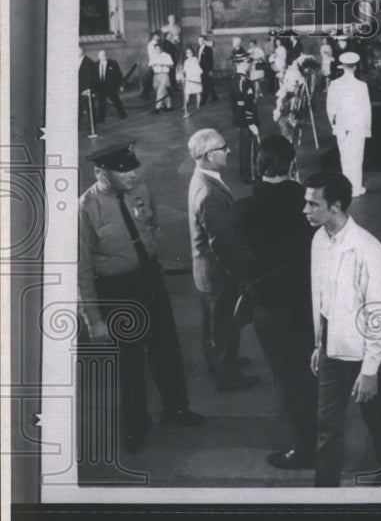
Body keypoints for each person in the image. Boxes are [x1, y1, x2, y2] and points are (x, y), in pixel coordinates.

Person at [79, 143, 205, 454]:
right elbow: (80, 269)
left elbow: (151, 220)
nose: (134, 173)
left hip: (149, 279)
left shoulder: (140, 189)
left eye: (134, 167)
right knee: (129, 360)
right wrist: (94, 319)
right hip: (117, 290)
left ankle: (176, 410)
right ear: (101, 173)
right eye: (124, 170)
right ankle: (136, 424)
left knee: (166, 345)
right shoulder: (85, 210)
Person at [304, 171, 381, 487]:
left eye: (311, 204)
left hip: (363, 352)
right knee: (327, 426)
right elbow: (323, 300)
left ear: (334, 207)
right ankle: (326, 495)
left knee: (378, 421)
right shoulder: (319, 240)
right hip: (332, 347)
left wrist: (371, 369)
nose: (305, 210)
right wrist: (320, 344)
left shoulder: (369, 250)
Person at [233, 136, 318, 470]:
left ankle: (303, 447)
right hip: (308, 300)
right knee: (307, 370)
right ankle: (316, 432)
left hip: (270, 306)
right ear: (292, 163)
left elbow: (242, 259)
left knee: (286, 374)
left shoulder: (244, 209)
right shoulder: (307, 200)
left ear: (258, 166)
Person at [187, 129, 259, 392]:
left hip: (205, 271)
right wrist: (242, 276)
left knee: (215, 324)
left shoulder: (202, 179)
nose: (228, 151)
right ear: (208, 155)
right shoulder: (209, 193)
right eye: (223, 147)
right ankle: (227, 377)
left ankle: (219, 363)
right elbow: (222, 243)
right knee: (225, 324)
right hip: (218, 274)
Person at [325, 51, 372, 196]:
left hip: (342, 125)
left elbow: (330, 108)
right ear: (355, 67)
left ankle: (347, 187)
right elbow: (366, 109)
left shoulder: (334, 84)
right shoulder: (361, 86)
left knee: (344, 156)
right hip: (357, 125)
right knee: (357, 156)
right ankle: (356, 188)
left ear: (342, 66)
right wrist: (368, 128)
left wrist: (333, 124)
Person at [230, 51, 260, 184]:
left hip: (241, 120)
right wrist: (251, 122)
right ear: (242, 63)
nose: (249, 64)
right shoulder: (242, 81)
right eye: (248, 62)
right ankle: (251, 175)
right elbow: (243, 104)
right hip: (247, 121)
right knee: (250, 148)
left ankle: (246, 174)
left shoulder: (235, 79)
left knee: (244, 147)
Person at [92, 49, 128, 122]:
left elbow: (119, 74)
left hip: (111, 87)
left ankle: (123, 113)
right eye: (101, 55)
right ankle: (101, 118)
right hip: (100, 87)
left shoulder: (113, 63)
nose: (103, 56)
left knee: (116, 100)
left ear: (106, 55)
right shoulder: (95, 64)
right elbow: (94, 76)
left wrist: (121, 85)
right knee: (101, 103)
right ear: (99, 56)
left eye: (104, 55)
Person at [150, 42, 174, 114]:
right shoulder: (153, 56)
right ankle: (169, 106)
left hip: (164, 74)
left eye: (159, 48)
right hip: (156, 75)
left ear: (161, 48)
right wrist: (153, 66)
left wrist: (162, 65)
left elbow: (172, 66)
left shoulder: (166, 55)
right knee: (163, 90)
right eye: (156, 48)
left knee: (160, 91)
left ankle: (157, 108)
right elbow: (150, 66)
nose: (158, 50)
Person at [181, 45, 202, 118]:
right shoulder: (185, 61)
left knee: (197, 92)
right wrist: (182, 72)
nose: (188, 54)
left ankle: (198, 105)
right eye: (187, 52)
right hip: (188, 78)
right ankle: (185, 105)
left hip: (195, 78)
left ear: (192, 53)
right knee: (187, 93)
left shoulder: (195, 59)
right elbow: (185, 69)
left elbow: (196, 68)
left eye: (189, 52)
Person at [197, 35, 219, 104]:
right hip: (200, 68)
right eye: (199, 40)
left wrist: (210, 70)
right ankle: (215, 96)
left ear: (204, 41)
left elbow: (211, 60)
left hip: (206, 69)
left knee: (205, 84)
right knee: (208, 83)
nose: (200, 42)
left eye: (201, 40)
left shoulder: (208, 49)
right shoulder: (198, 48)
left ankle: (203, 100)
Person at [78, 47, 97, 126]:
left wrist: (87, 89)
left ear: (83, 52)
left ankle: (93, 126)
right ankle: (77, 126)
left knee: (90, 108)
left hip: (86, 90)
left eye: (78, 51)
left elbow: (91, 77)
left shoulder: (88, 62)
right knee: (78, 108)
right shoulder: (73, 61)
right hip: (78, 89)